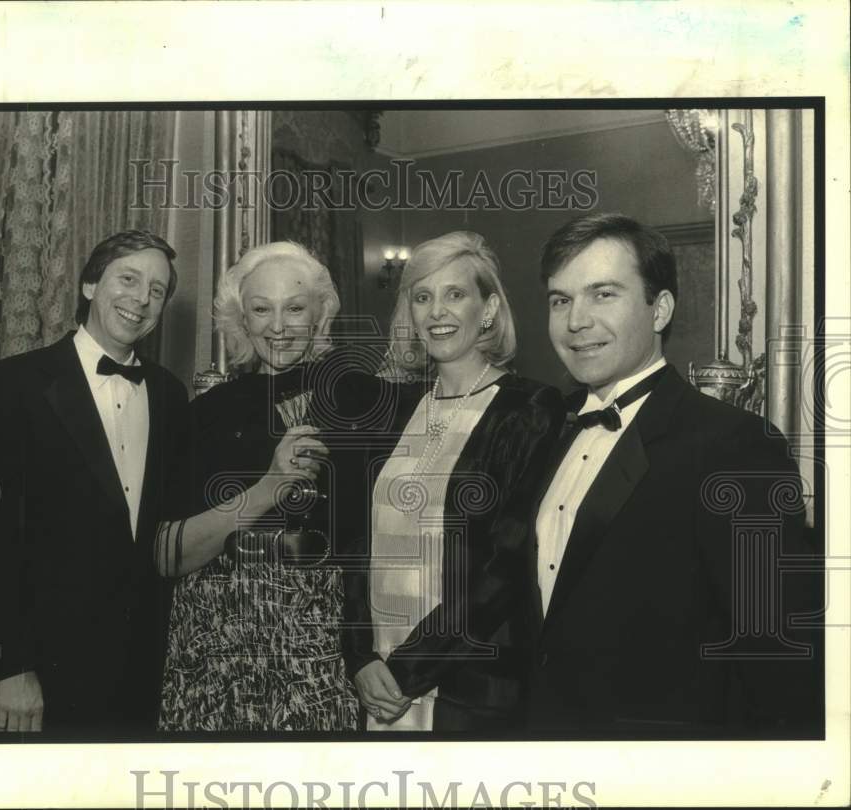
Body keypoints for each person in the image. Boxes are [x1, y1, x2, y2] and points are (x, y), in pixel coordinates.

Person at [528, 212, 823, 738]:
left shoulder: (734, 445)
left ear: (659, 308)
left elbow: (776, 656)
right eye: (561, 300)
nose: (576, 321)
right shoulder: (547, 428)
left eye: (603, 295)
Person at [0, 230, 189, 738]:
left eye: (157, 290)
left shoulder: (171, 394)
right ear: (90, 284)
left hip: (142, 671)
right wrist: (10, 664)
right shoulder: (13, 385)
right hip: (40, 670)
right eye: (128, 279)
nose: (142, 299)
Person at [155, 241, 385, 732]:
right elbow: (166, 554)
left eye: (295, 308)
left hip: (321, 646)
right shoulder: (204, 414)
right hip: (213, 643)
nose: (278, 326)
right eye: (261, 309)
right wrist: (269, 487)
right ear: (241, 319)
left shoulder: (363, 400)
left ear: (321, 315)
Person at [344, 231, 565, 732]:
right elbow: (360, 544)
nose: (437, 311)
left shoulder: (529, 408)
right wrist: (359, 656)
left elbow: (505, 564)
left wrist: (407, 670)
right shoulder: (394, 409)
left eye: (455, 294)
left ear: (488, 309)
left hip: (466, 684)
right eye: (422, 297)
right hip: (377, 681)